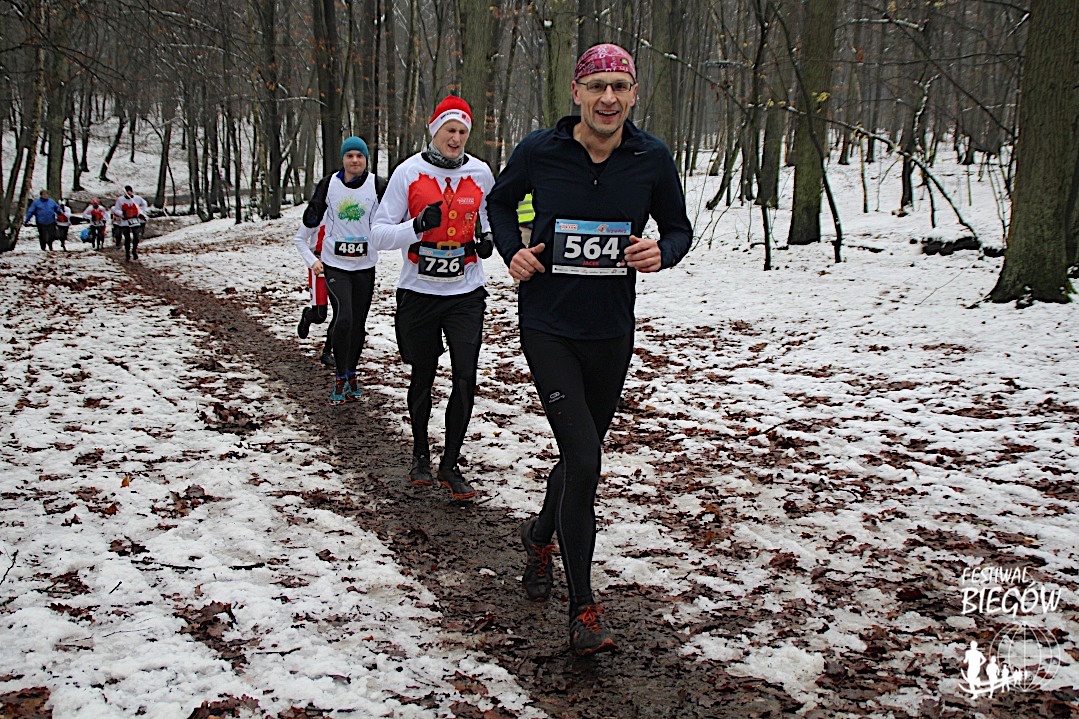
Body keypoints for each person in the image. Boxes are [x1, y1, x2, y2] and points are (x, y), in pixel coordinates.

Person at [487, 43, 693, 656]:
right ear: (577, 92)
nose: (608, 98)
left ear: (634, 95)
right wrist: (512, 251)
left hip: (611, 332)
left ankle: (539, 534)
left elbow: (678, 227)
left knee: (582, 458)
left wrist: (663, 251)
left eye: (619, 87)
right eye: (597, 86)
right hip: (548, 325)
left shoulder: (651, 158)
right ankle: (583, 609)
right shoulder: (540, 150)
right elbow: (500, 203)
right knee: (585, 456)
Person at [370, 95, 495, 501]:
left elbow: (488, 217)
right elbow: (378, 234)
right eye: (449, 131)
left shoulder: (481, 173)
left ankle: (450, 464)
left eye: (462, 132)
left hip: (465, 292)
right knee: (422, 374)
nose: (455, 139)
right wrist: (416, 226)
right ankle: (420, 455)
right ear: (434, 130)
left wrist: (488, 239)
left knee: (465, 377)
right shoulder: (408, 172)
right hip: (419, 292)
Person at [294, 136, 387, 404]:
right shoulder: (329, 185)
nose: (355, 160)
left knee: (358, 324)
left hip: (365, 267)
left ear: (366, 159)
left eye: (359, 156)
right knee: (343, 317)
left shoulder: (378, 185)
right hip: (335, 266)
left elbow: (396, 218)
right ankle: (339, 374)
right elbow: (303, 232)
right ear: (343, 159)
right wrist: (312, 261)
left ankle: (351, 372)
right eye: (349, 156)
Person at [294, 223, 337, 368]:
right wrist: (313, 261)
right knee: (320, 315)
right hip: (319, 267)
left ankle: (328, 352)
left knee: (341, 312)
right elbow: (299, 239)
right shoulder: (316, 215)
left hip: (339, 266)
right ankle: (308, 315)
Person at [112, 185, 148, 260]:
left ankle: (134, 250)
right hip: (125, 221)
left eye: (130, 191)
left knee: (136, 237)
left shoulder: (137, 198)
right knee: (127, 238)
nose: (129, 193)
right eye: (127, 192)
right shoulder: (120, 200)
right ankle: (127, 253)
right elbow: (116, 210)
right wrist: (122, 214)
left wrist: (141, 212)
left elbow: (144, 203)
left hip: (135, 220)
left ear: (132, 191)